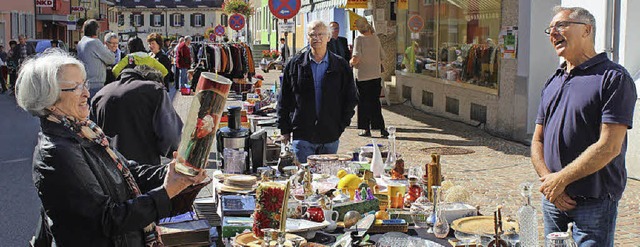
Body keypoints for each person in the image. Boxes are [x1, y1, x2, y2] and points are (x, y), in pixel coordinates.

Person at [14, 51, 206, 246]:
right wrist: (166, 192)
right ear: (50, 101)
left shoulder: (85, 132)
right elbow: (106, 219)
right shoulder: (56, 153)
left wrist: (177, 172)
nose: (87, 93)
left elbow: (128, 172)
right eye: (75, 88)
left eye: (85, 84)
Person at [532, 6, 637, 246]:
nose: (553, 33)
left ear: (586, 30)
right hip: (553, 200)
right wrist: (551, 184)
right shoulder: (553, 80)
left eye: (561, 25)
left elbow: (610, 146)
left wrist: (560, 180)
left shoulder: (613, 78)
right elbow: (537, 140)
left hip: (594, 201)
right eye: (550, 29)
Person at [277, 20, 358, 163]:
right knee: (304, 180)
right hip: (302, 135)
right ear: (307, 38)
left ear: (328, 37)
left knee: (326, 181)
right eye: (312, 35)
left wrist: (341, 124)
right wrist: (284, 129)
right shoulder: (295, 64)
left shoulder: (340, 65)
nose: (316, 38)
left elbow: (350, 97)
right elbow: (284, 98)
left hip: (330, 135)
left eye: (321, 34)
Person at [92, 63, 182, 166]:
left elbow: (92, 136)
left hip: (109, 169)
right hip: (144, 169)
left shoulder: (100, 94)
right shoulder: (154, 90)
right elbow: (172, 139)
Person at [350, 18, 388, 137]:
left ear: (359, 28)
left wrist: (350, 63)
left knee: (363, 103)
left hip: (363, 76)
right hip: (376, 75)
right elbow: (383, 55)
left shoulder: (359, 39)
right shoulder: (375, 38)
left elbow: (356, 58)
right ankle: (381, 128)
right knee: (375, 103)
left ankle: (366, 129)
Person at [77, 19, 116, 96]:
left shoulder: (81, 42)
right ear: (96, 30)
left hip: (85, 81)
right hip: (96, 83)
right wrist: (110, 49)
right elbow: (111, 59)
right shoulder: (94, 42)